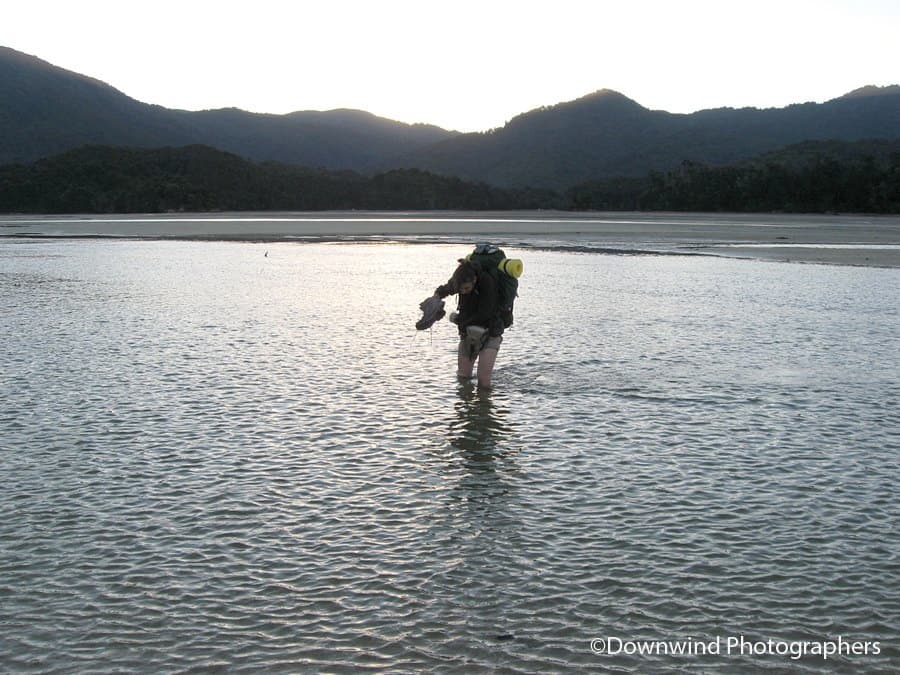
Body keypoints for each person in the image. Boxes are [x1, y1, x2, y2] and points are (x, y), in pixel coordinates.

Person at [432, 258, 505, 389]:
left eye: (466, 288)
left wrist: (457, 319)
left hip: (491, 332)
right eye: (460, 290)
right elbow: (445, 289)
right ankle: (466, 405)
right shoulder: (458, 281)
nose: (463, 291)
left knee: (483, 380)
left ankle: (484, 405)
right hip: (467, 334)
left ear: (474, 280)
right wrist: (435, 298)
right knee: (463, 377)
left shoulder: (487, 282)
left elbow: (484, 314)